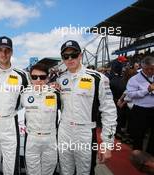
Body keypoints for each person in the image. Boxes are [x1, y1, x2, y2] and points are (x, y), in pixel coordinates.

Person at [57, 40, 117, 175]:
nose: (70, 58)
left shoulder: (98, 78)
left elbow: (109, 111)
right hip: (64, 130)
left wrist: (107, 143)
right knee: (65, 171)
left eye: (74, 54)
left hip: (85, 132)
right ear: (63, 59)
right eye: (66, 56)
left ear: (80, 55)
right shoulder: (60, 79)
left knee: (85, 172)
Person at [0, 36, 29, 175]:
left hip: (10, 121)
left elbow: (30, 96)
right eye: (0, 50)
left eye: (7, 50)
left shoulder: (22, 75)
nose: (4, 54)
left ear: (12, 52)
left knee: (11, 161)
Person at [21, 63, 60, 175]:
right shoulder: (24, 94)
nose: (38, 80)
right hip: (32, 139)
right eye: (34, 77)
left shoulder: (56, 93)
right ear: (30, 78)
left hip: (50, 139)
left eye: (42, 77)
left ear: (47, 78)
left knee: (48, 172)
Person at [126, 56, 154, 155]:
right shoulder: (134, 79)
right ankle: (137, 156)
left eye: (153, 68)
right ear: (142, 67)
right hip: (140, 110)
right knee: (139, 134)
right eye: (148, 69)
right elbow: (130, 94)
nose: (151, 71)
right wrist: (147, 90)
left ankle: (150, 155)